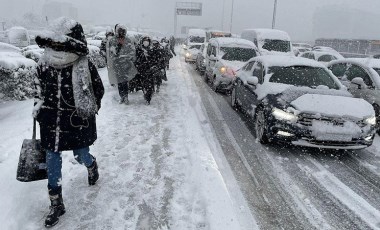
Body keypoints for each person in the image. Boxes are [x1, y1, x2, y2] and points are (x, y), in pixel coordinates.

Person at [33, 17, 104, 228]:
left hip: (76, 121)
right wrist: (39, 110)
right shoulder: (44, 63)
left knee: (80, 155)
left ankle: (91, 165)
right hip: (51, 122)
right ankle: (56, 203)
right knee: (52, 159)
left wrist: (87, 109)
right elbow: (38, 91)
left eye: (60, 43)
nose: (56, 47)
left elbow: (97, 90)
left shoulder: (83, 64)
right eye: (53, 43)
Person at [107, 24, 137, 104]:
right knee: (119, 81)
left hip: (126, 64)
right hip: (117, 64)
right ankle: (122, 97)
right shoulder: (113, 40)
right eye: (120, 31)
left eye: (122, 31)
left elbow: (132, 51)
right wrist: (119, 46)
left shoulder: (128, 40)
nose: (121, 33)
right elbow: (112, 53)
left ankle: (125, 97)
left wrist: (126, 57)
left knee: (124, 81)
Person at [135, 36, 158, 104]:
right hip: (141, 70)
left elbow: (155, 59)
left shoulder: (152, 50)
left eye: (147, 41)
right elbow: (136, 59)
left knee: (149, 85)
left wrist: (154, 66)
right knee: (143, 84)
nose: (146, 42)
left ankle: (148, 97)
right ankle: (145, 94)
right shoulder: (139, 49)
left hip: (150, 71)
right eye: (144, 41)